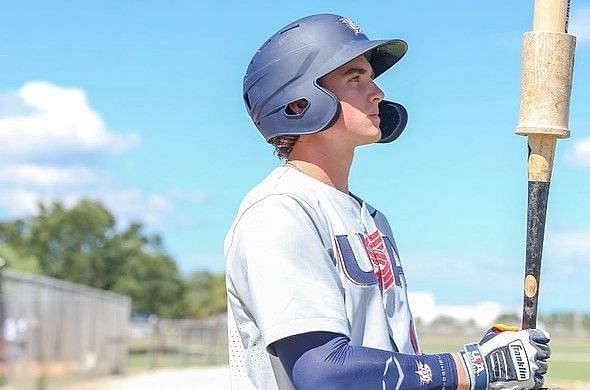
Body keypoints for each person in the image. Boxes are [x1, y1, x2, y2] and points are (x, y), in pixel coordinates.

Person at [225, 13, 551, 389]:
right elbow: (323, 373)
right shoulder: (280, 213)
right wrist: (470, 368)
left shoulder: (370, 218)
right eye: (355, 79)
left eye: (371, 77)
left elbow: (389, 367)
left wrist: (489, 365)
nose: (377, 91)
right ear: (298, 104)